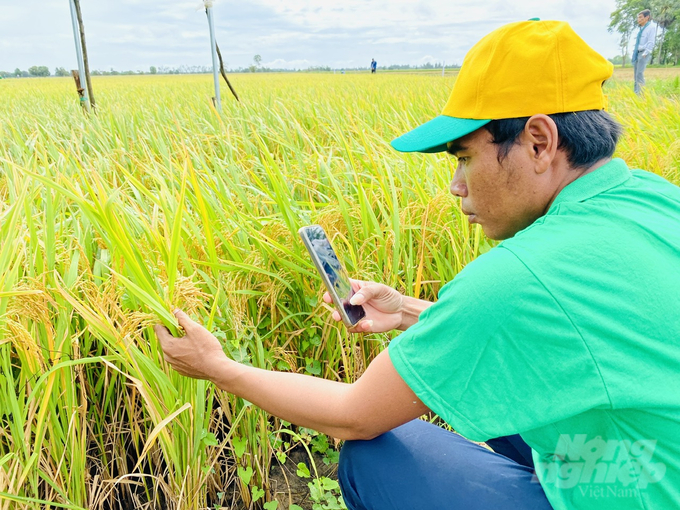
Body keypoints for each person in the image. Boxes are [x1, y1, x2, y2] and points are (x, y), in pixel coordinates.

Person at [155, 20, 680, 510]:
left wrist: (217, 368)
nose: (456, 185)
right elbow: (559, 331)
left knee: (377, 452)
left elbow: (354, 416)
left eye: (463, 157)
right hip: (646, 460)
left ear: (539, 142)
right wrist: (405, 311)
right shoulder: (655, 199)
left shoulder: (523, 274)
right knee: (506, 384)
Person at [632, 9, 654, 95]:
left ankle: (640, 95)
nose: (638, 19)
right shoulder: (641, 28)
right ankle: (636, 93)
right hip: (637, 53)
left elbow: (651, 42)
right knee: (636, 75)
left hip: (644, 53)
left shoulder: (650, 28)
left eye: (640, 17)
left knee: (639, 74)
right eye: (638, 17)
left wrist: (645, 53)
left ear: (647, 17)